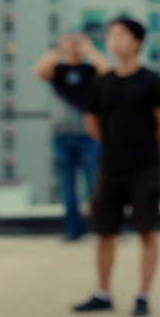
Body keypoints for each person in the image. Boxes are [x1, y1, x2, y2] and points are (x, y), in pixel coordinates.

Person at [73, 18, 160, 317]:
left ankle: (143, 295)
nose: (115, 41)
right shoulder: (103, 82)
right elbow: (92, 123)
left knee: (147, 231)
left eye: (122, 35)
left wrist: (145, 148)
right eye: (111, 35)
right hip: (110, 168)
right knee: (104, 232)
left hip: (145, 168)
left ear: (138, 42)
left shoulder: (152, 83)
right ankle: (102, 293)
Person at [33, 32, 110, 240]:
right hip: (61, 136)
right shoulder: (58, 70)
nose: (74, 45)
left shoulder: (90, 70)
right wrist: (60, 50)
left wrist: (89, 50)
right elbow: (39, 70)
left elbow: (108, 71)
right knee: (66, 186)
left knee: (95, 184)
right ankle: (73, 228)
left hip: (89, 136)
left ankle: (100, 226)